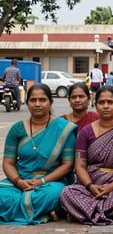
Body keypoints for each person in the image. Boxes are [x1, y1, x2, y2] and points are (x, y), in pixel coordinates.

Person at [60, 86, 113, 225]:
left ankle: (83, 214)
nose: (106, 106)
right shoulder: (86, 131)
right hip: (90, 183)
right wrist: (90, 186)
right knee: (67, 193)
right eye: (101, 102)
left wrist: (111, 187)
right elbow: (80, 165)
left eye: (110, 102)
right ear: (95, 105)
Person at [0, 83, 77, 225]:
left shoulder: (63, 129)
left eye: (42, 100)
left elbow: (67, 165)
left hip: (51, 182)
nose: (37, 104)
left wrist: (42, 181)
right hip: (19, 179)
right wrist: (18, 181)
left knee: (54, 195)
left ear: (50, 102)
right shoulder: (17, 129)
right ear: (27, 103)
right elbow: (8, 163)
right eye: (33, 100)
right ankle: (43, 212)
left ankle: (29, 211)